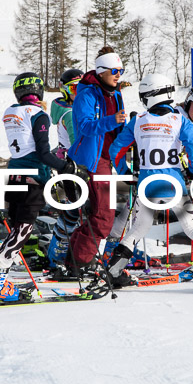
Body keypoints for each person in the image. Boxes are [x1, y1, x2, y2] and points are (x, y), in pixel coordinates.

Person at [107, 73, 193, 292]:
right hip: (173, 183)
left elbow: (115, 150)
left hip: (148, 183)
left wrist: (125, 172)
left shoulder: (138, 120)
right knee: (192, 227)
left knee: (138, 229)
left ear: (151, 96)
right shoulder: (180, 120)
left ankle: (112, 272)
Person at [0, 72, 87, 302]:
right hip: (32, 178)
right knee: (23, 231)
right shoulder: (39, 115)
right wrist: (66, 167)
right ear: (39, 91)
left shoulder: (9, 112)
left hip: (13, 174)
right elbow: (44, 154)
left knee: (17, 230)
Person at [66, 47, 127, 271]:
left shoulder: (116, 94)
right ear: (101, 72)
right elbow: (84, 127)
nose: (118, 74)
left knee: (98, 215)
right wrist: (112, 120)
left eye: (121, 70)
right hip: (91, 161)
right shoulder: (87, 94)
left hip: (106, 160)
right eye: (114, 70)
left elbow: (116, 132)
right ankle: (81, 262)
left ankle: (75, 260)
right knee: (103, 217)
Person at [46, 68, 84, 273]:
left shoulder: (69, 109)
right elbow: (79, 142)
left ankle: (60, 254)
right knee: (76, 212)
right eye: (74, 88)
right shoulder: (69, 113)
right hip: (74, 165)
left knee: (73, 210)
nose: (78, 93)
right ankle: (60, 255)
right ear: (65, 90)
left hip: (68, 165)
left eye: (82, 88)